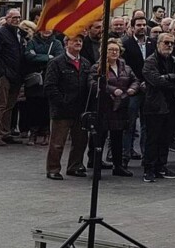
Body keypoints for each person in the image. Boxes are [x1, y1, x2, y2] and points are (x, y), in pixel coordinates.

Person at [43, 34, 93, 180]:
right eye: (74, 41)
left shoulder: (85, 63)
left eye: (80, 41)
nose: (78, 43)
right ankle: (53, 169)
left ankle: (75, 166)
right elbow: (49, 86)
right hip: (62, 110)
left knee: (80, 141)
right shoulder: (56, 63)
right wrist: (62, 102)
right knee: (57, 142)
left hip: (80, 110)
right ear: (66, 44)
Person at [140, 32, 175, 183]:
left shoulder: (174, 60)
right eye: (166, 43)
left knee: (165, 138)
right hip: (154, 106)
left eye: (171, 43)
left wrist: (168, 78)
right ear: (158, 44)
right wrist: (172, 78)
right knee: (153, 138)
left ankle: (161, 165)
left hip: (171, 104)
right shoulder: (150, 61)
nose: (169, 46)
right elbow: (155, 81)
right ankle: (149, 169)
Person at [93, 39, 139, 177]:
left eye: (116, 50)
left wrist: (132, 89)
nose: (114, 52)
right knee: (99, 138)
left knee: (117, 138)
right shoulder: (98, 67)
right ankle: (96, 166)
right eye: (111, 50)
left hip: (120, 107)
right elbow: (93, 83)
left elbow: (135, 80)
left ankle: (118, 165)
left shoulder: (125, 67)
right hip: (104, 106)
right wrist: (111, 89)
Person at [0, 9, 26, 146]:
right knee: (0, 105)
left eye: (18, 17)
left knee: (10, 106)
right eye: (13, 17)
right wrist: (2, 73)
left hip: (16, 75)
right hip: (5, 76)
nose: (16, 20)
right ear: (6, 18)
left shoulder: (18, 34)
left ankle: (5, 132)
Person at [21, 24, 62, 147]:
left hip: (50, 79)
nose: (46, 31)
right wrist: (48, 57)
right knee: (33, 107)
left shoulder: (57, 43)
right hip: (34, 80)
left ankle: (46, 133)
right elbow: (28, 56)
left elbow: (58, 57)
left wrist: (38, 56)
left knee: (47, 107)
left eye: (49, 28)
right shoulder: (32, 42)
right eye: (44, 28)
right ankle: (33, 132)